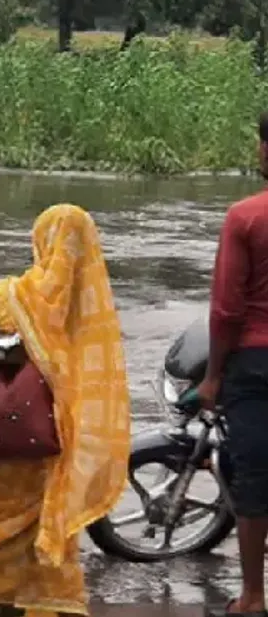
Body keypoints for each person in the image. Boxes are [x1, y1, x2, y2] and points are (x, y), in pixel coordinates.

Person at [0, 204, 129, 617]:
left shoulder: (7, 295)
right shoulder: (90, 317)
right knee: (36, 556)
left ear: (40, 244)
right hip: (46, 451)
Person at [199, 112, 268, 617]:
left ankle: (252, 595)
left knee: (253, 476)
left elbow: (226, 309)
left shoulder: (245, 217)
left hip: (255, 362)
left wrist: (213, 375)